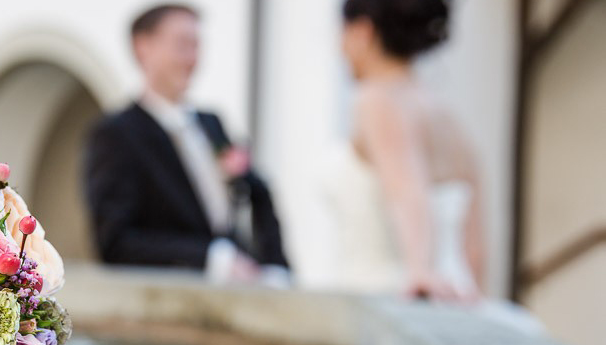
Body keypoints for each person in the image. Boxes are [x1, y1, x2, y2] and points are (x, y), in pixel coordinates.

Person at [83, 4, 289, 283]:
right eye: (182, 45)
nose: (192, 58)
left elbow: (258, 192)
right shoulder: (116, 134)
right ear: (143, 47)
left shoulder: (211, 123)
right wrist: (210, 258)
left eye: (196, 46)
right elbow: (116, 242)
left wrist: (275, 267)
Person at [324, 0, 484, 301]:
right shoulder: (449, 120)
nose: (339, 48)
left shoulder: (377, 100)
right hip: (456, 299)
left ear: (362, 32)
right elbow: (474, 249)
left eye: (342, 34)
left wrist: (419, 270)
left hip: (387, 297)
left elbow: (407, 190)